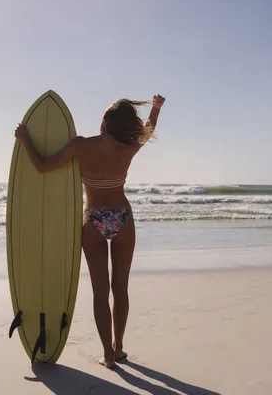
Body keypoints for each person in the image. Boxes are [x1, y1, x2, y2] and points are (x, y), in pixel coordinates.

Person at [15, 94, 166, 368]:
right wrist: (156, 108)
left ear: (105, 122)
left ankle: (108, 356)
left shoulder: (80, 146)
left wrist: (25, 139)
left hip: (93, 218)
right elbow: (149, 127)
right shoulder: (130, 146)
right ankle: (119, 348)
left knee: (100, 292)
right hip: (122, 216)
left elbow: (43, 166)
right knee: (120, 287)